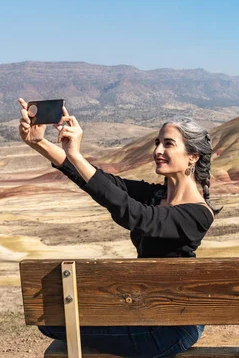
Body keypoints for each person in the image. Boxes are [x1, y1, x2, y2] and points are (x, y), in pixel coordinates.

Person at [17, 98, 219, 357]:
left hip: (169, 328)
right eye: (157, 142)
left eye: (168, 143)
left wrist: (76, 154)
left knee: (51, 320)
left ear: (193, 156)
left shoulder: (197, 214)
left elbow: (134, 215)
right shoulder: (157, 196)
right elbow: (101, 182)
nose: (158, 149)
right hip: (147, 311)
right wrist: (40, 143)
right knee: (53, 316)